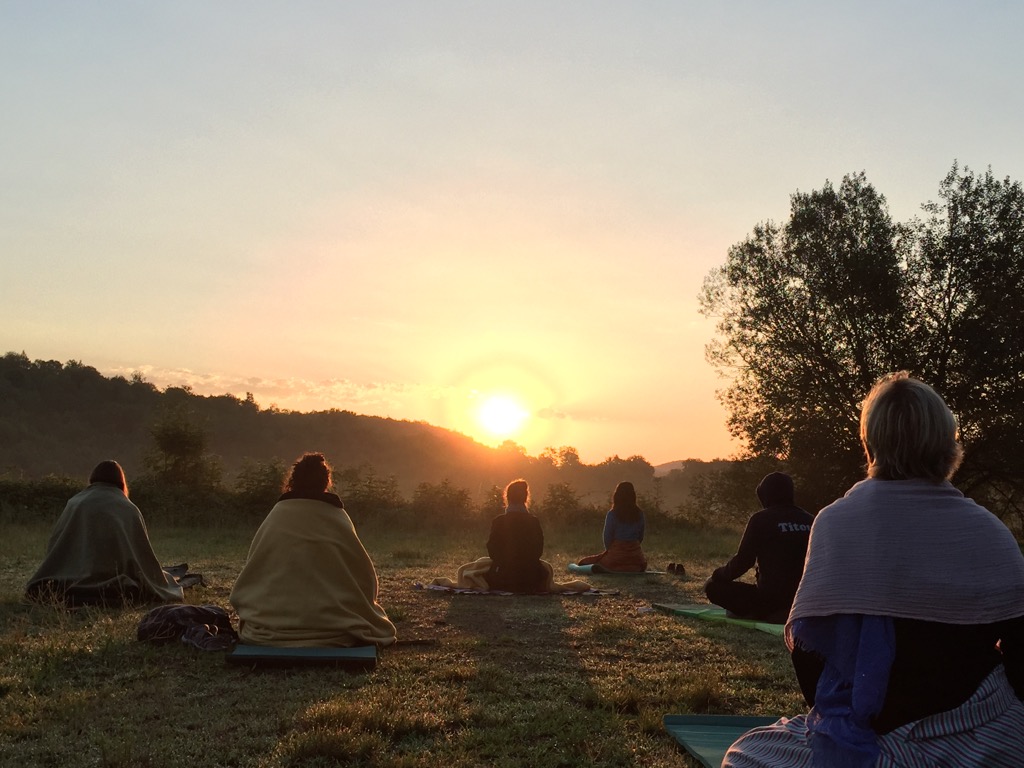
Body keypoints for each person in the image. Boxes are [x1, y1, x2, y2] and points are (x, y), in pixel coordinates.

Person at [724, 373, 1024, 767]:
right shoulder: (987, 529)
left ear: (870, 445)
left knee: (747, 755)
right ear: (947, 445)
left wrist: (845, 721)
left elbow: (810, 654)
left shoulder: (835, 521)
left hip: (863, 738)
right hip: (981, 737)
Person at [229, 452, 396, 647]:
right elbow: (365, 578)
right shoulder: (337, 517)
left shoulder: (277, 516)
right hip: (333, 631)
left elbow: (255, 574)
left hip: (268, 630)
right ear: (326, 483)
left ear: (294, 481)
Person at [25, 460, 184, 606]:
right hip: (114, 585)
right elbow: (141, 557)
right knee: (160, 581)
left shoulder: (74, 503)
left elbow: (56, 547)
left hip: (66, 582)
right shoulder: (129, 509)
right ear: (121, 482)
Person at [703, 472, 813, 623]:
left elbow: (743, 561)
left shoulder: (761, 519)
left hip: (769, 600)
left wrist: (717, 576)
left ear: (765, 495)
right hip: (805, 599)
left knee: (714, 588)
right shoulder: (810, 520)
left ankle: (765, 613)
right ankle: (788, 611)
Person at [484, 479, 548, 593]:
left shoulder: (498, 521)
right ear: (525, 497)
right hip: (531, 579)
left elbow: (492, 550)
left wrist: (503, 562)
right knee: (546, 570)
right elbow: (538, 551)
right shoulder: (533, 521)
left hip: (502, 578)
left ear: (507, 497)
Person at [575, 481, 648, 572]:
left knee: (584, 562)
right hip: (636, 557)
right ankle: (630, 567)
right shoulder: (639, 513)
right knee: (638, 564)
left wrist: (610, 551)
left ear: (617, 496)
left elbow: (607, 538)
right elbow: (640, 537)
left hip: (616, 556)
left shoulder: (612, 514)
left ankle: (614, 567)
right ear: (633, 496)